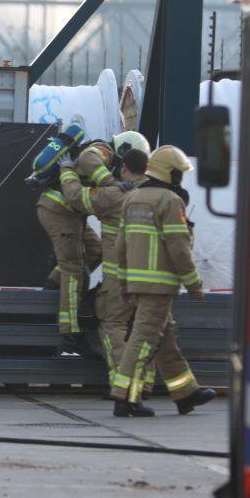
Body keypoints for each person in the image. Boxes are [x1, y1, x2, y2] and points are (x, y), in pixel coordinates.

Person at [110, 145, 218, 417]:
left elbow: (120, 246)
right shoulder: (170, 202)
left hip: (138, 283)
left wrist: (123, 284)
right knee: (143, 340)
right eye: (178, 174)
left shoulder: (132, 199)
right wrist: (194, 283)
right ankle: (125, 398)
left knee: (166, 338)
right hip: (160, 285)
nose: (180, 180)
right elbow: (178, 247)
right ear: (168, 173)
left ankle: (185, 392)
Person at [60, 144, 150, 388]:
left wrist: (67, 168)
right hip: (153, 281)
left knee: (113, 326)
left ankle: (122, 385)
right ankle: (144, 386)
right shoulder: (161, 196)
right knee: (147, 333)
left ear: (124, 168)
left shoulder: (114, 196)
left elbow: (76, 197)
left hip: (119, 281)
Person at [36, 149, 103, 357]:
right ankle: (71, 332)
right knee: (73, 269)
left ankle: (53, 288)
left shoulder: (102, 160)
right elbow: (80, 196)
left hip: (73, 213)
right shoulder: (97, 160)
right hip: (58, 210)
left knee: (95, 250)